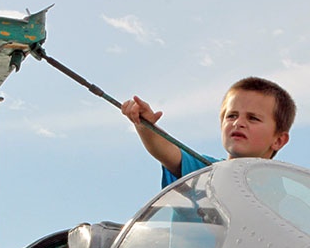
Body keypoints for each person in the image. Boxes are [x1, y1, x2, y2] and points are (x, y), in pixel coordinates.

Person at [120, 77, 296, 187]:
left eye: (253, 118)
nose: (238, 123)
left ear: (279, 140)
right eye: (231, 116)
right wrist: (144, 125)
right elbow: (166, 151)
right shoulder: (203, 171)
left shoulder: (283, 202)